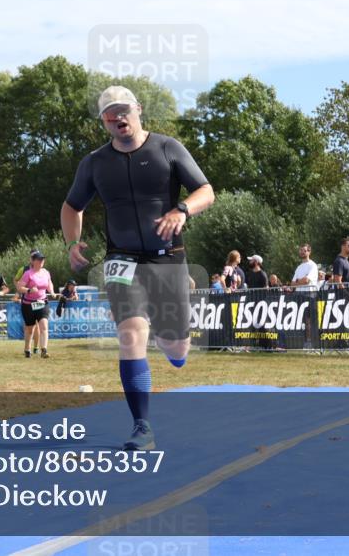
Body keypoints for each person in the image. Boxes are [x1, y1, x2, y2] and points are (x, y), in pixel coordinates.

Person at [61, 84, 215, 451]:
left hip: (167, 257)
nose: (117, 117)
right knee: (130, 335)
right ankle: (141, 426)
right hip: (121, 260)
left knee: (175, 345)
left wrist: (181, 211)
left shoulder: (167, 148)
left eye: (122, 110)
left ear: (138, 109)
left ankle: (173, 346)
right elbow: (72, 207)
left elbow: (206, 191)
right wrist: (72, 243)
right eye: (109, 113)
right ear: (103, 121)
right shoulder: (95, 163)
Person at [17, 250, 56, 358]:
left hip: (42, 302)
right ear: (33, 261)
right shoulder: (28, 273)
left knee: (44, 325)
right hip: (28, 305)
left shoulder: (46, 272)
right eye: (39, 259)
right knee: (30, 329)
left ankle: (44, 350)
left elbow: (49, 283)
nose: (41, 261)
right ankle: (27, 349)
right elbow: (19, 287)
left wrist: (51, 292)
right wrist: (29, 290)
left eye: (42, 259)